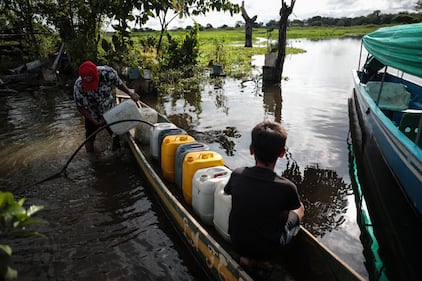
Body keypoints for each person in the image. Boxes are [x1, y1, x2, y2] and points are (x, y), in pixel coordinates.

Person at [224, 120, 304, 281]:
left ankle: (246, 259)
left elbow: (228, 193)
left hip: (237, 243)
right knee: (299, 209)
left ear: (251, 150)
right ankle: (265, 262)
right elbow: (283, 217)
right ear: (282, 153)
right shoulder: (287, 188)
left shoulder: (237, 174)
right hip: (269, 250)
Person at [73, 61, 140, 153]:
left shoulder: (109, 73)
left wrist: (130, 93)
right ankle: (92, 159)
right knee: (89, 138)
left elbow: (119, 84)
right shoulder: (79, 85)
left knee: (116, 134)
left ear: (98, 74)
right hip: (92, 113)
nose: (92, 88)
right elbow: (80, 107)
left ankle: (117, 153)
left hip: (109, 111)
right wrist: (94, 121)